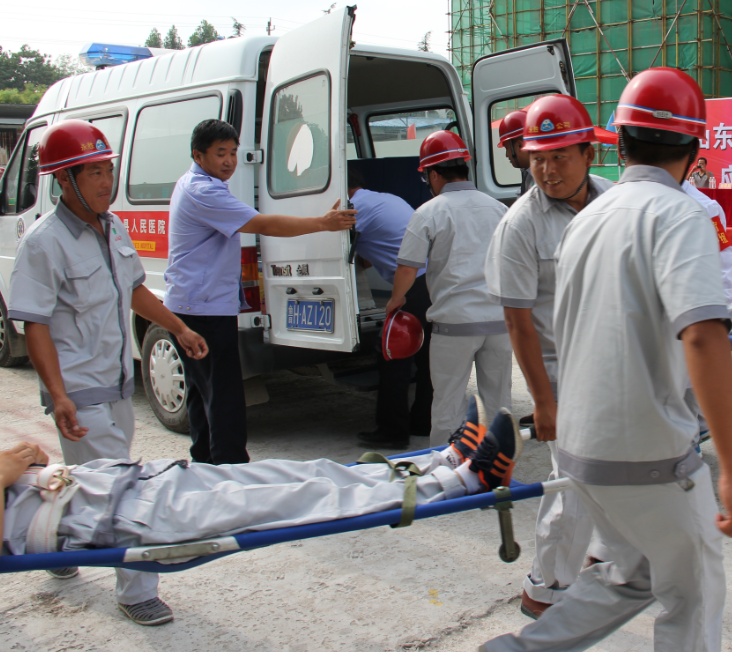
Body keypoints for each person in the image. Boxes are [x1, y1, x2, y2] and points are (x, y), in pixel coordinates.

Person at [483, 67, 732, 652]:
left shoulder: (588, 221)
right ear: (693, 148)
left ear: (614, 145)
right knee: (694, 592)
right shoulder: (680, 216)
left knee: (630, 575)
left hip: (586, 443)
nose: (547, 169)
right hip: (648, 449)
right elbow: (703, 337)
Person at [7, 119, 210, 625]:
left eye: (107, 170)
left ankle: (57, 544)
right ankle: (137, 590)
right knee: (122, 491)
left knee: (86, 481)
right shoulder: (44, 243)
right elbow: (34, 325)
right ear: (63, 179)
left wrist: (179, 328)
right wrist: (58, 395)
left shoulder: (113, 226)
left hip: (118, 384)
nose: (105, 182)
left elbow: (134, 289)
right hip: (79, 391)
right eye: (92, 173)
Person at [1, 405, 522, 558]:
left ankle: (432, 465)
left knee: (299, 473)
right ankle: (464, 481)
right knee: (296, 500)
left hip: (124, 484)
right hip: (118, 519)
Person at [485, 95, 615, 619]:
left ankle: (604, 551)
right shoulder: (521, 225)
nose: (547, 170)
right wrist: (543, 401)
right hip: (563, 374)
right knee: (572, 483)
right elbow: (518, 322)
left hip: (616, 367)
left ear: (588, 154)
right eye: (538, 157)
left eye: (560, 156)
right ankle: (547, 586)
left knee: (618, 471)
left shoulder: (614, 202)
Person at [165, 119, 356, 466]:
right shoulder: (204, 191)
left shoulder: (194, 183)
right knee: (223, 394)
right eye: (220, 153)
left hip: (194, 303)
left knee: (201, 390)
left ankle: (205, 462)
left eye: (233, 153)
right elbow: (264, 225)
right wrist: (322, 223)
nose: (229, 161)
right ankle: (231, 468)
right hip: (204, 309)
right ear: (198, 155)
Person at [386, 131, 512, 446]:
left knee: (448, 403)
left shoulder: (429, 211)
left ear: (433, 174)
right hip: (499, 322)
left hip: (455, 325)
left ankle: (446, 467)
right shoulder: (498, 208)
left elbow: (407, 268)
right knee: (499, 403)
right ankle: (500, 465)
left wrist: (396, 300)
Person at [347, 170, 433, 449]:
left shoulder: (355, 207)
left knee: (393, 355)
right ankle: (423, 421)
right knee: (426, 359)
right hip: (433, 281)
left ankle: (392, 431)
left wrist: (396, 297)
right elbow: (372, 255)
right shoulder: (385, 199)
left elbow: (334, 247)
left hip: (413, 284)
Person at [498, 109, 534, 195]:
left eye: (507, 148)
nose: (507, 155)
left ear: (520, 145)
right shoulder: (529, 176)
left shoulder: (542, 179)